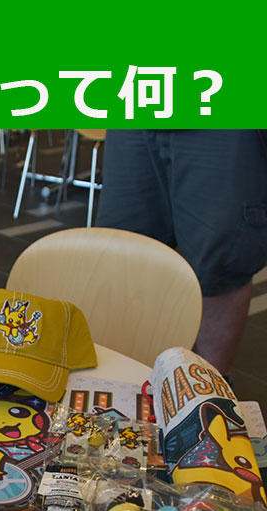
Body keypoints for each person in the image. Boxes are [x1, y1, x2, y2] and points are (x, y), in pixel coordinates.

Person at [96, 130, 267, 377]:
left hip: (221, 119)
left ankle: (208, 391)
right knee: (122, 257)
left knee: (218, 267)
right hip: (136, 113)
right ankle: (127, 387)